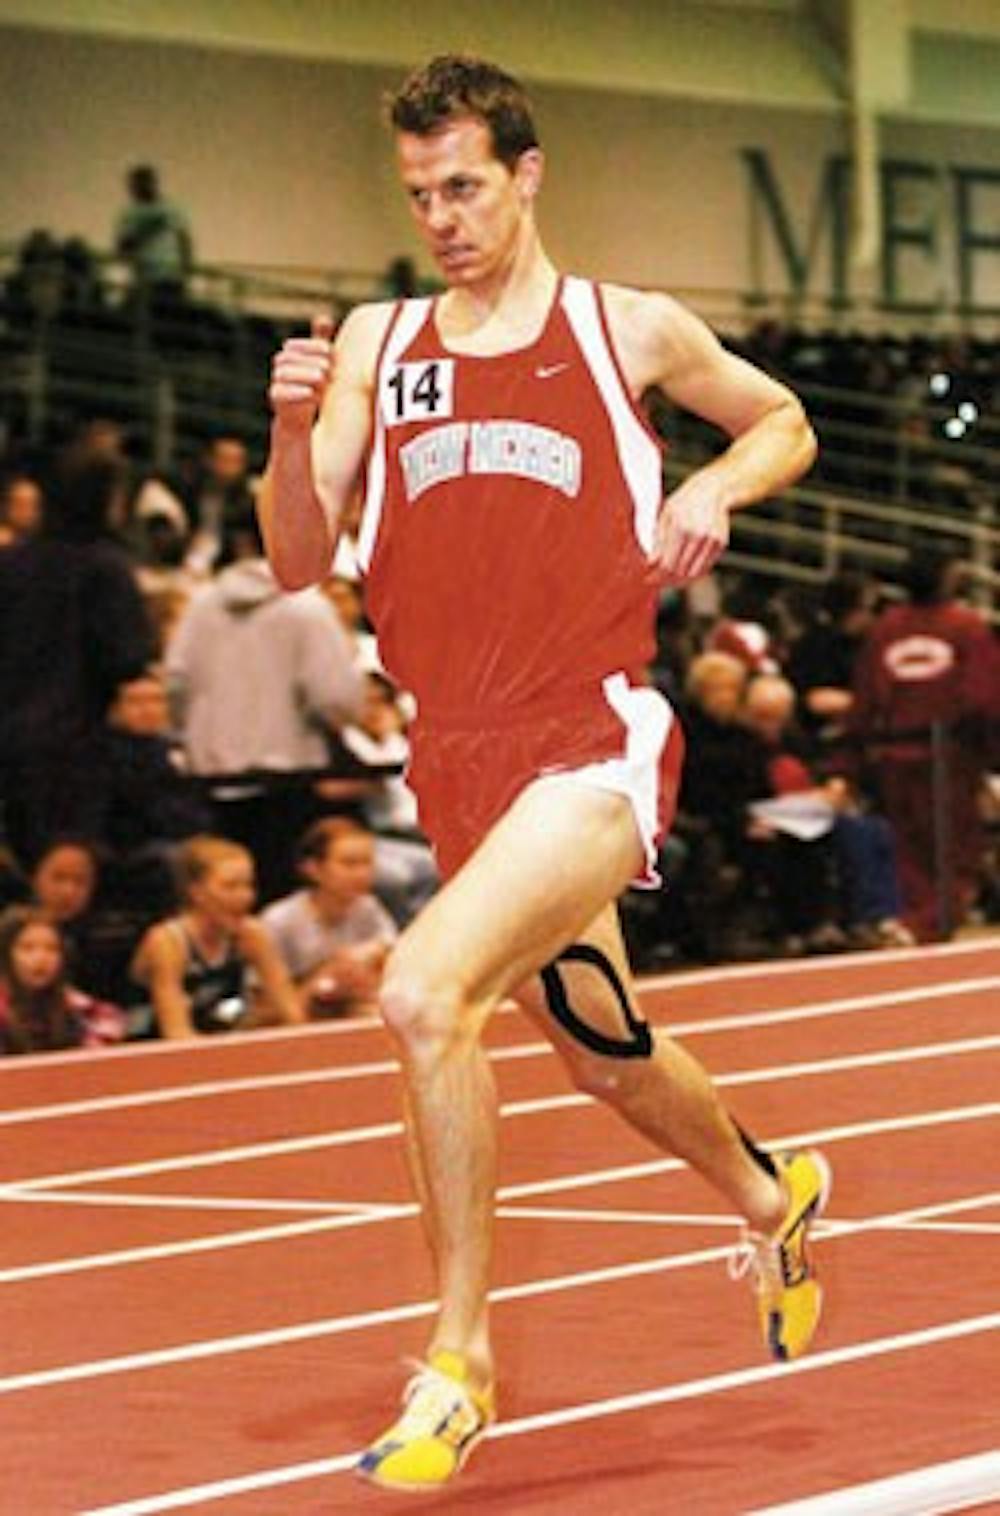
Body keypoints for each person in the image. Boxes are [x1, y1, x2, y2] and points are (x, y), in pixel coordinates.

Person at [259, 54, 827, 1492]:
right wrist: (287, 429)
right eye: (418, 194)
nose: (441, 218)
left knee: (422, 994)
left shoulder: (624, 326)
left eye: (463, 187)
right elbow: (295, 558)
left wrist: (715, 482)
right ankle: (774, 1193)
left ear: (526, 175)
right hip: (454, 757)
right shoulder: (381, 342)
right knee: (598, 1047)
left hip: (591, 737)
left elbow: (784, 419)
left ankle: (457, 1364)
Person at [164, 506, 363, 902]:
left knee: (223, 898)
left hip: (213, 777)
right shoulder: (307, 608)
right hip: (286, 780)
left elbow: (176, 686)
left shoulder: (200, 607)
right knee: (278, 896)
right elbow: (338, 701)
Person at [0, 453, 153, 867]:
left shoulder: (11, 561)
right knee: (67, 862)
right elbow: (129, 656)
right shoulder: (105, 567)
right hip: (75, 742)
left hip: (10, 735)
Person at [850, 545, 1000, 941]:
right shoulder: (966, 627)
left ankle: (920, 920)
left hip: (898, 750)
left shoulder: (886, 628)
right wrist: (987, 752)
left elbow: (866, 697)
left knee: (912, 845)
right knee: (951, 845)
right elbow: (984, 698)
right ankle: (930, 921)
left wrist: (858, 751)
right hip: (948, 752)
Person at [129, 835, 303, 1039]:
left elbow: (293, 1014)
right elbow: (176, 1033)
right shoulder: (167, 942)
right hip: (144, 1043)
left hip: (213, 1035)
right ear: (196, 892)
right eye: (230, 886)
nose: (244, 896)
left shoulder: (251, 934)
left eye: (248, 885)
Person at [262, 817, 397, 1019]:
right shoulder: (279, 921)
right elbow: (265, 1007)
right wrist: (328, 973)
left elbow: (390, 953)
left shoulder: (369, 908)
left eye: (367, 862)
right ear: (313, 869)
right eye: (349, 864)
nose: (361, 874)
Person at [0, 904, 124, 1055]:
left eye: (52, 948)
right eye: (27, 948)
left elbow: (111, 1018)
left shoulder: (67, 999)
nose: (41, 958)